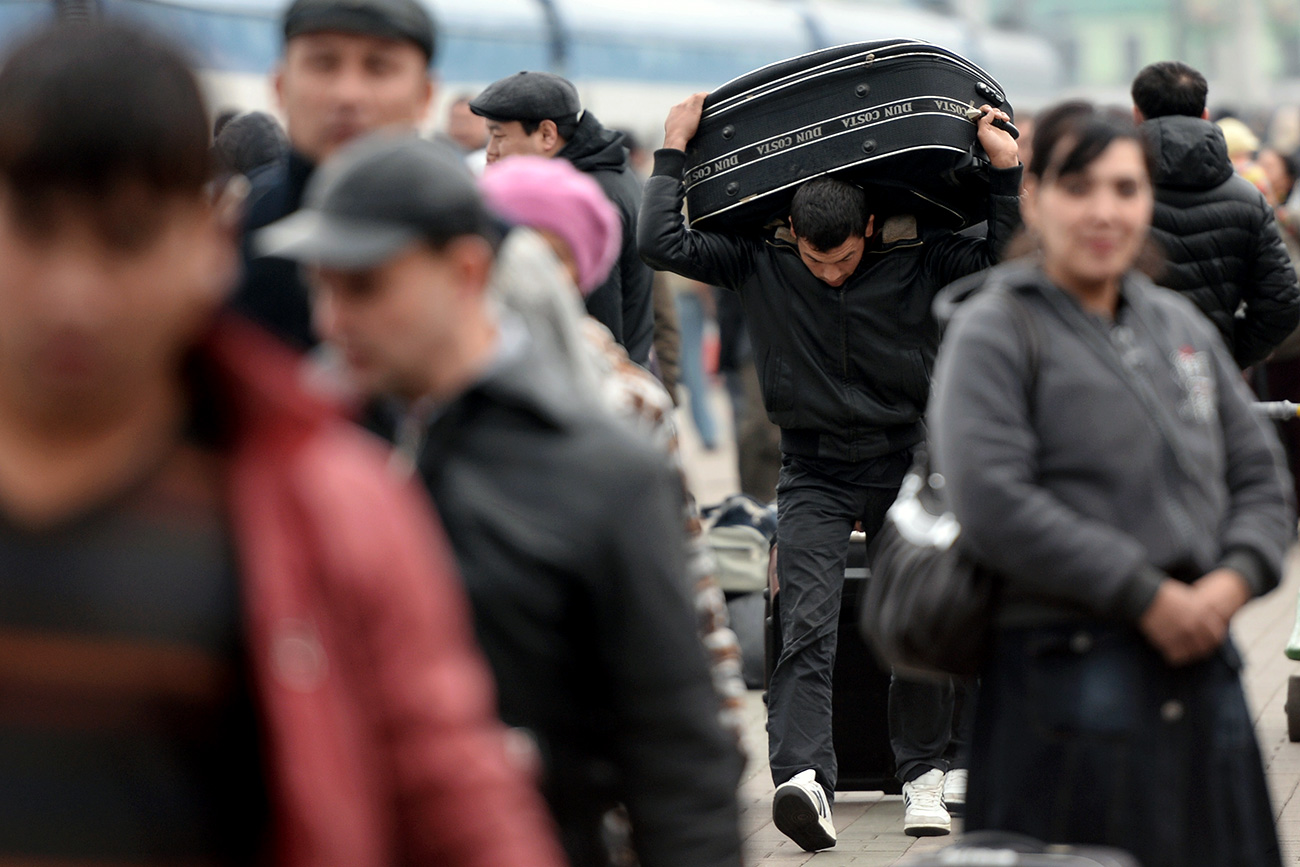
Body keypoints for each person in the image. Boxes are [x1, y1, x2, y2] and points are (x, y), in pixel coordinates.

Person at [0, 21, 567, 867]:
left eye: (125, 236)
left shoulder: (331, 503)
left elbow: (452, 791)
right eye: (37, 232)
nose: (76, 292)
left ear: (205, 246)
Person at [257, 133, 745, 867]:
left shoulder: (602, 470)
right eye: (320, 286)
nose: (330, 321)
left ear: (465, 271)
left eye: (363, 286)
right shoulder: (300, 463)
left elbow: (678, 756)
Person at [639, 91, 1022, 848]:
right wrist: (672, 150)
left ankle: (922, 774)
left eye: (843, 257)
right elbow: (661, 244)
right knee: (805, 625)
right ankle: (804, 778)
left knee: (910, 621)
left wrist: (1007, 171)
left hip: (905, 455)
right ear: (793, 236)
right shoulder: (762, 259)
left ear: (869, 229)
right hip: (811, 463)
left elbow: (1003, 256)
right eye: (816, 260)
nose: (831, 272)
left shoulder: (919, 256)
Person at [929, 101, 1294, 867]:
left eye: (1126, 189)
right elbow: (994, 500)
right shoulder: (994, 329)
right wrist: (1149, 596)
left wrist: (1227, 586)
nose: (1105, 211)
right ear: (1034, 195)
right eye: (1080, 187)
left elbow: (1261, 476)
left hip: (1203, 675)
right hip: (1063, 684)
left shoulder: (1178, 326)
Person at [232, 0, 436, 350]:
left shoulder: (471, 242)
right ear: (280, 86)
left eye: (379, 67)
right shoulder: (229, 238)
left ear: (425, 95)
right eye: (323, 63)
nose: (347, 95)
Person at [469, 70, 655, 365]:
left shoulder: (584, 199)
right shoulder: (612, 173)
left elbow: (599, 320)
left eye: (499, 136)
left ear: (547, 134)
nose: (490, 153)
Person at [1131, 61, 1300, 368]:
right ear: (1205, 115)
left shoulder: (1113, 198)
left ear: (1136, 115)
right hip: (1210, 379)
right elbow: (1283, 302)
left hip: (1130, 372)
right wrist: (1223, 353)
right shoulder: (1250, 199)